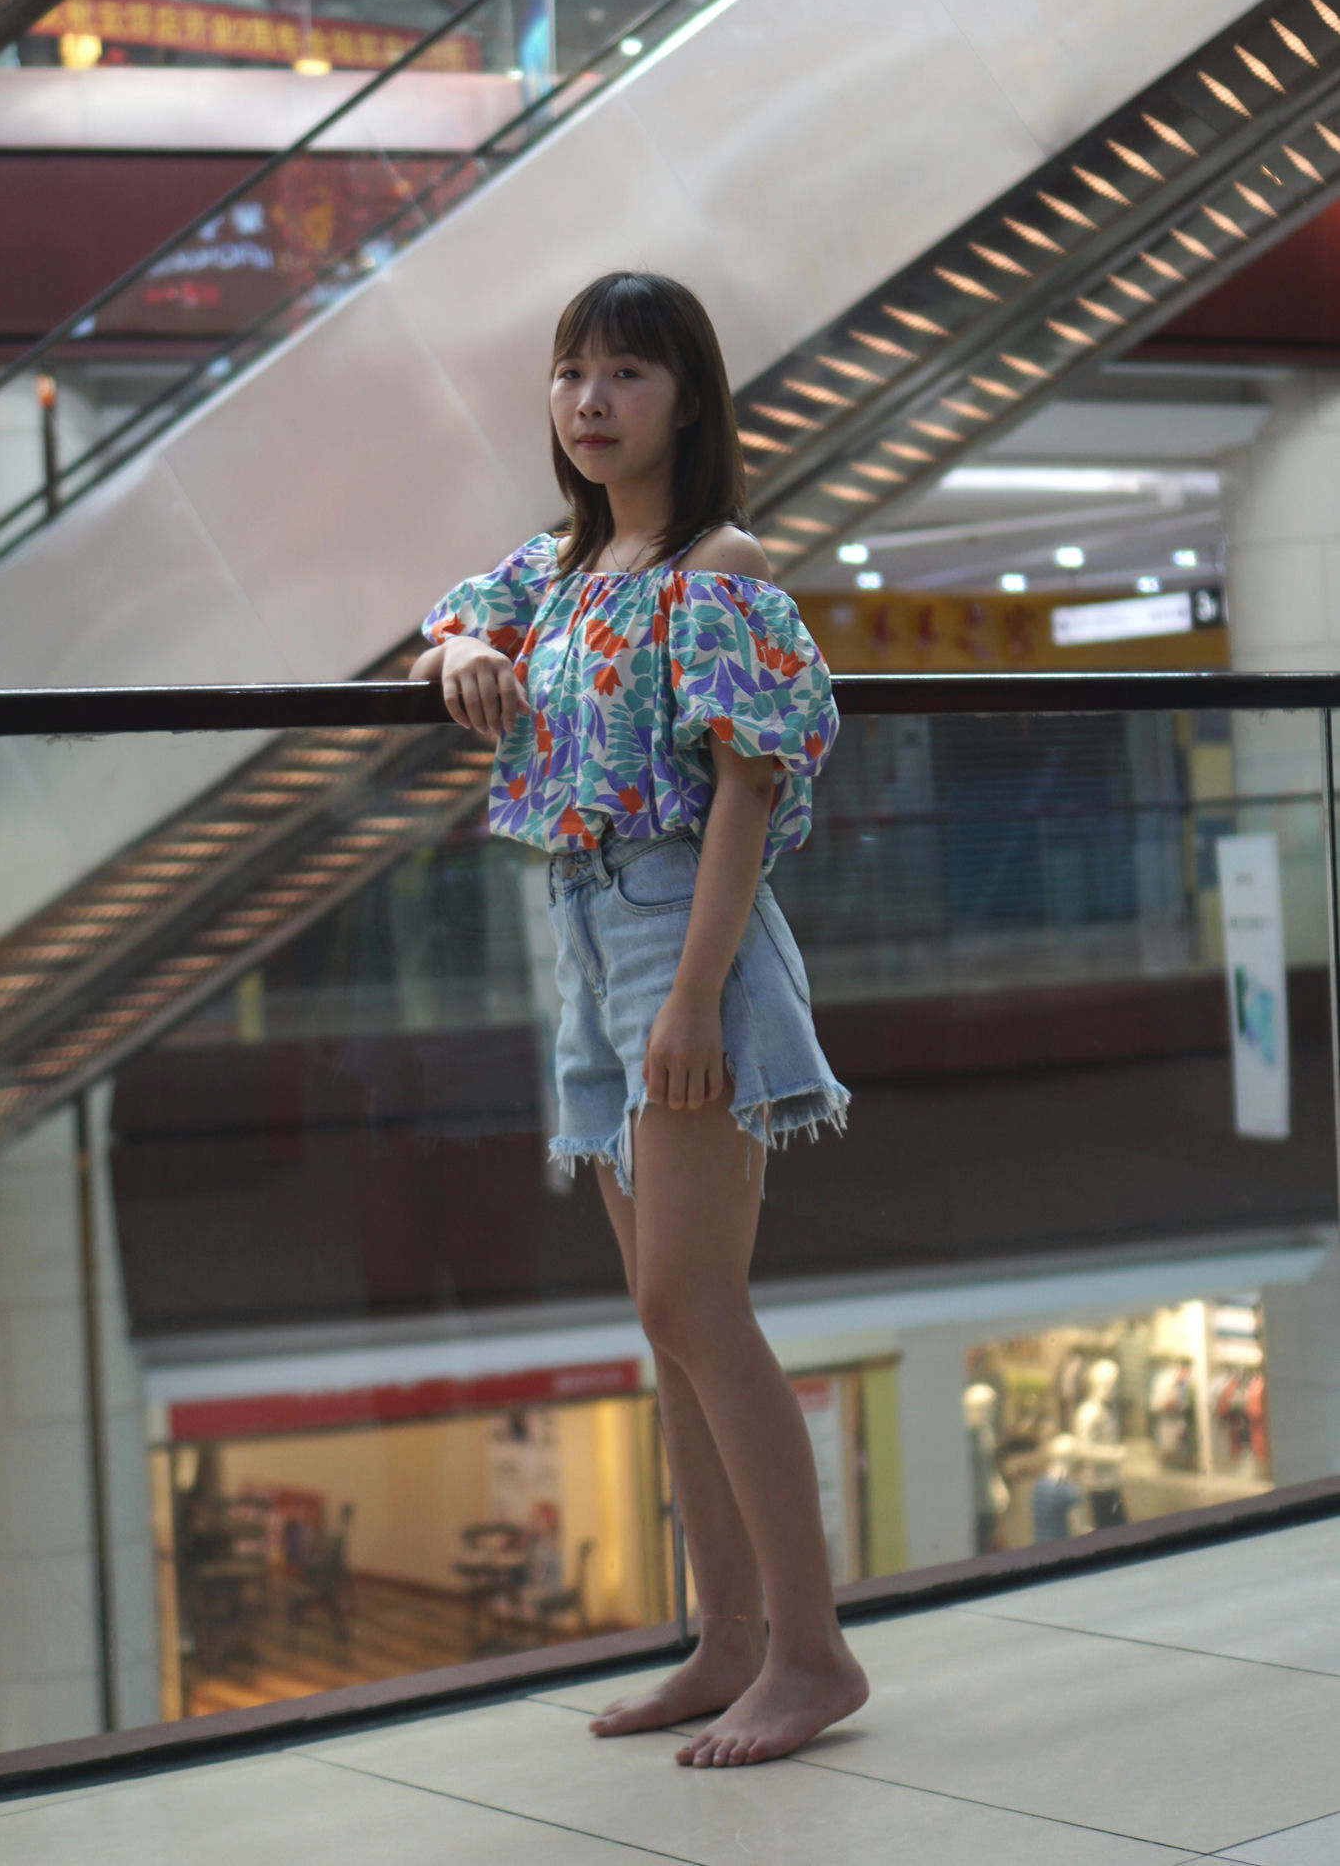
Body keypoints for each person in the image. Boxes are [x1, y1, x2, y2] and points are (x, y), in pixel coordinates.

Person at [411, 271, 866, 1769]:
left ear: (688, 399)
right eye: (572, 374)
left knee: (694, 1303)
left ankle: (811, 1652)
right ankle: (725, 1641)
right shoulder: (563, 565)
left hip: (680, 932)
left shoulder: (713, 564)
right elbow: (450, 623)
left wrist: (690, 999)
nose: (591, 401)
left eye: (627, 373)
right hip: (584, 932)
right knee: (666, 1322)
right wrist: (458, 656)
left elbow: (747, 786)